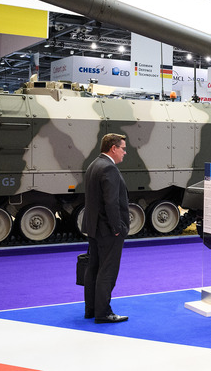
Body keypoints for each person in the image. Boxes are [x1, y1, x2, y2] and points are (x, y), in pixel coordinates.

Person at [82, 133, 130, 323]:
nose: (124, 153)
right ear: (113, 148)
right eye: (123, 148)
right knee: (107, 271)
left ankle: (91, 310)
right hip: (108, 230)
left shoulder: (94, 165)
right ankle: (104, 313)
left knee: (93, 269)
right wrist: (117, 228)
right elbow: (111, 203)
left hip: (94, 228)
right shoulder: (109, 168)